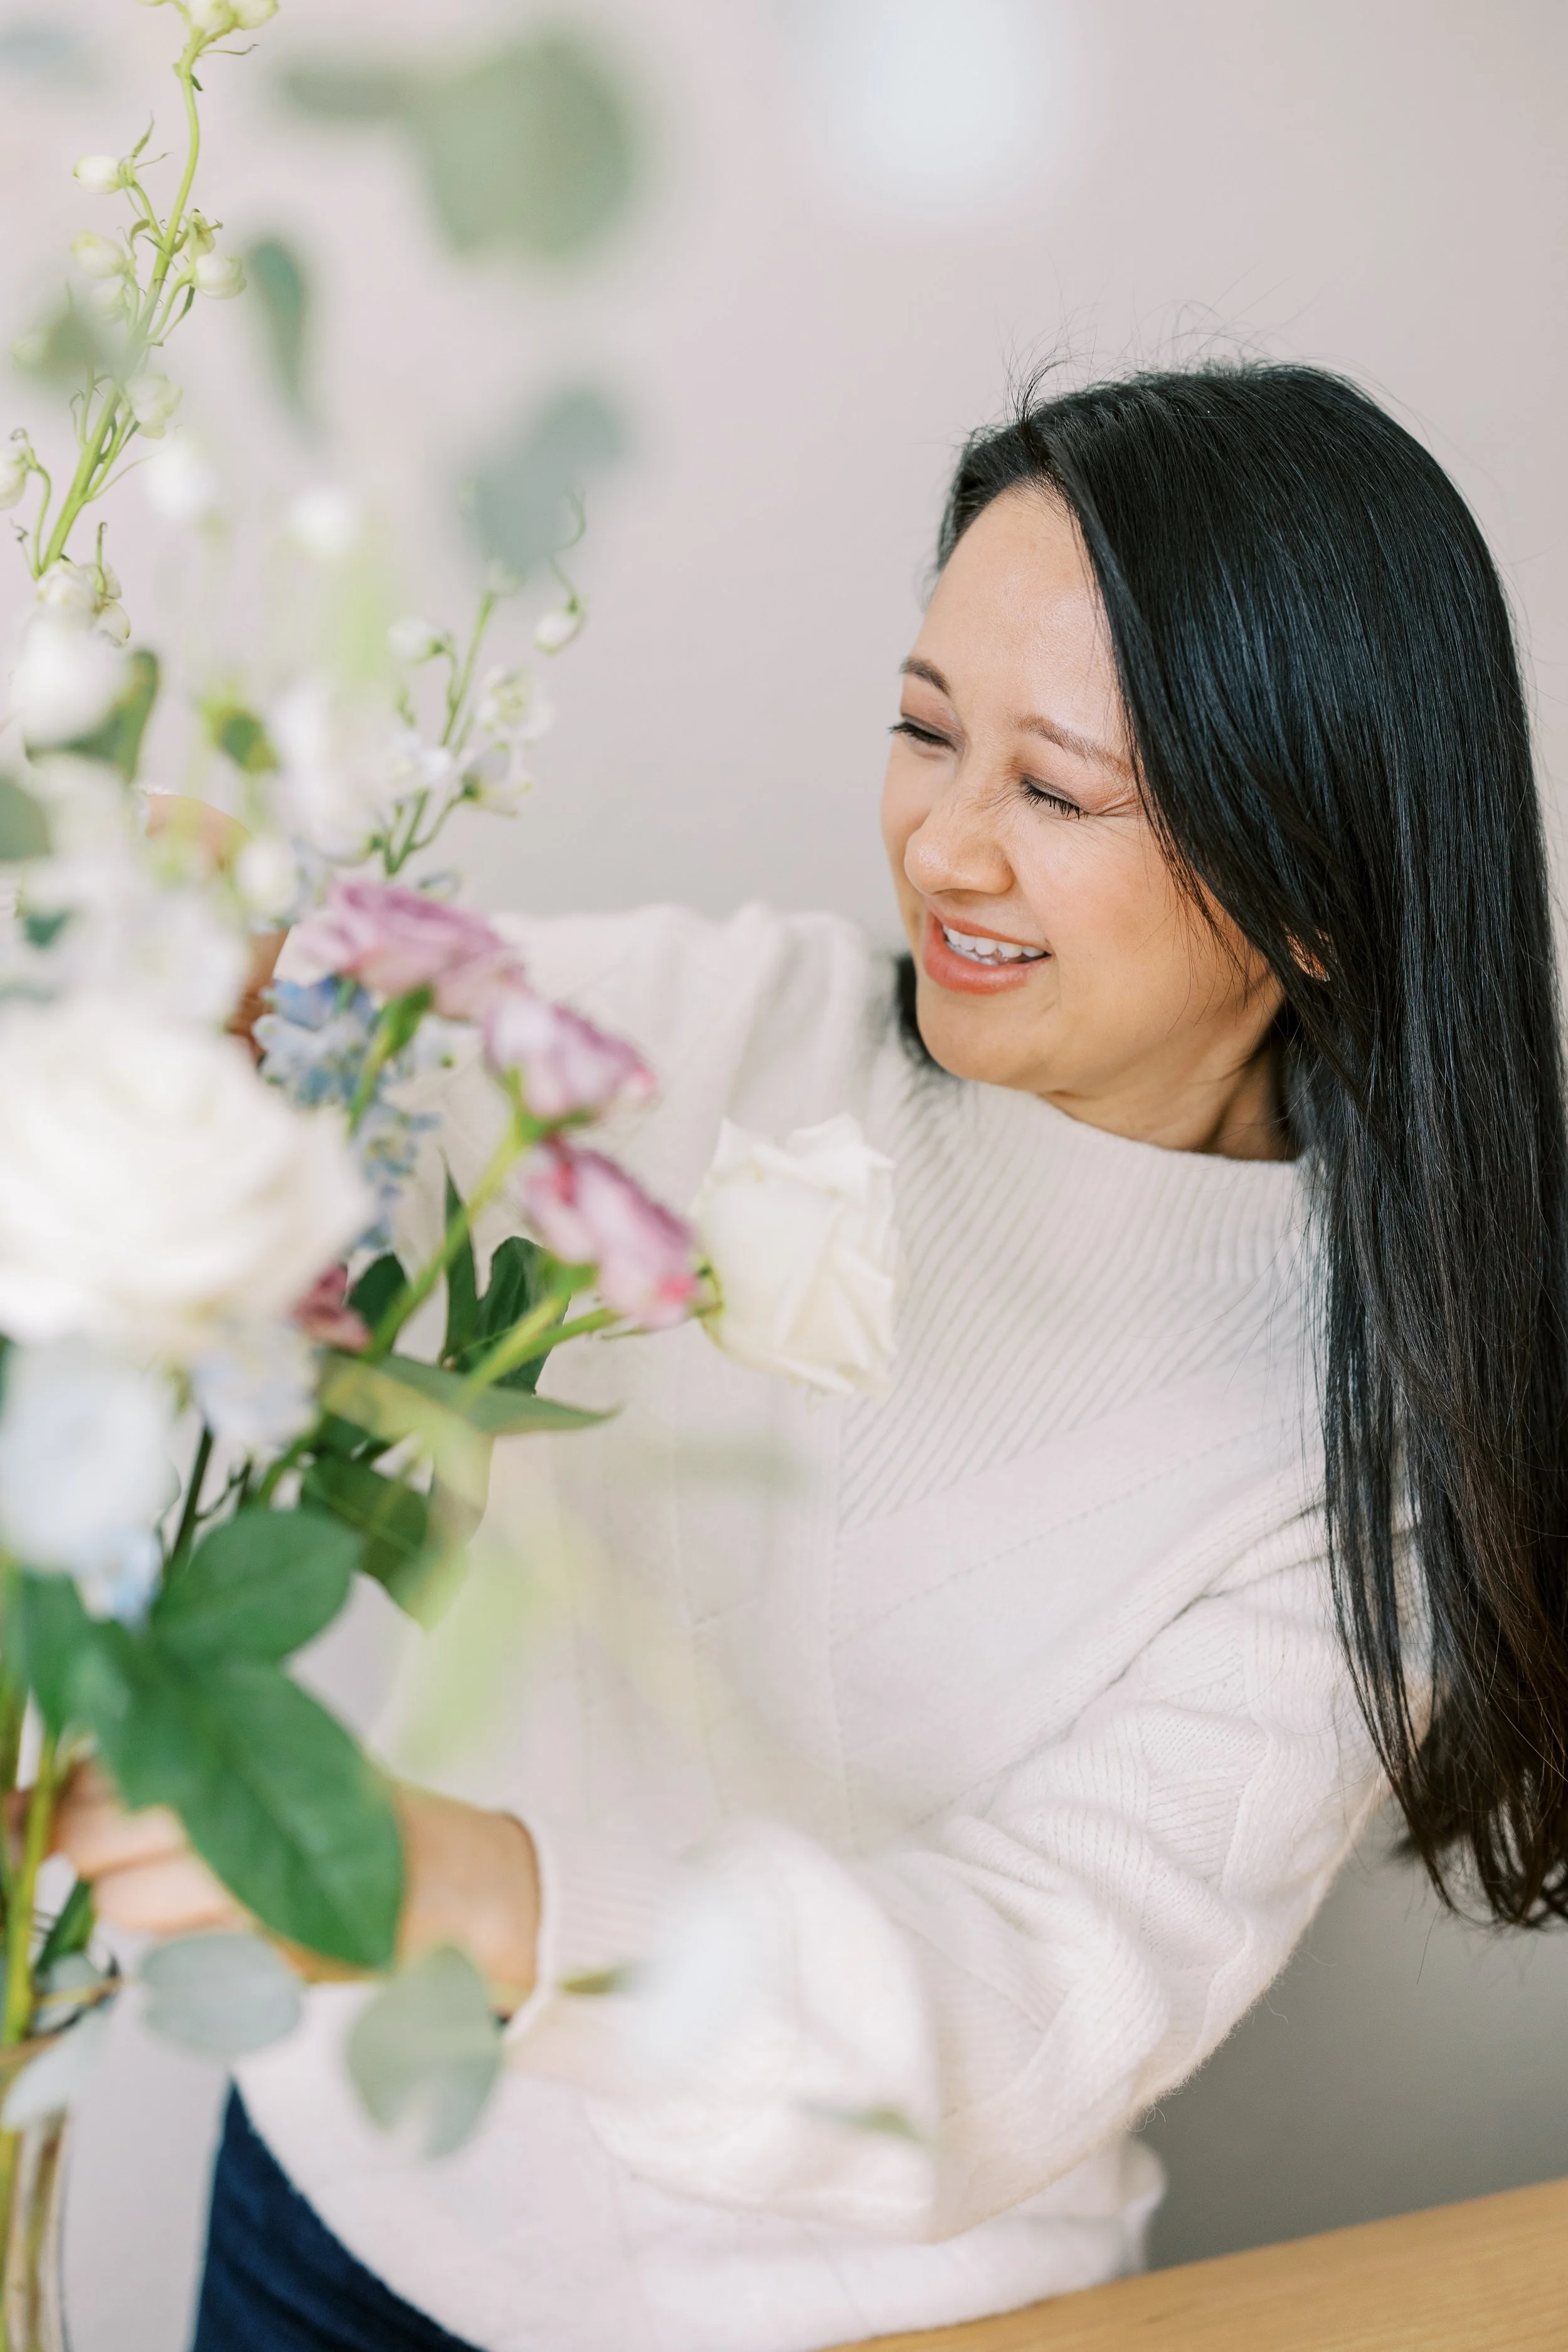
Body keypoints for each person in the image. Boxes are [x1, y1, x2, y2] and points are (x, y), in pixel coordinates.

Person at [56, 363, 1568, 2352]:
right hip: (337, 2221)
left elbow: (997, 2013)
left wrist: (459, 1885)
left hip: (848, 2321)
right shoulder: (732, 1027)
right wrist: (149, 888)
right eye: (924, 733)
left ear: (1306, 885)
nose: (943, 847)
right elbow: (323, 1000)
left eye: (1052, 789)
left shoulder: (1344, 1451)